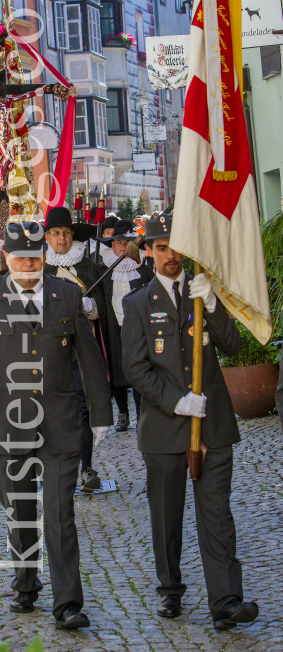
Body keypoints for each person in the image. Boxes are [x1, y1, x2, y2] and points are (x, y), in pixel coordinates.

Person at [0, 222, 113, 630]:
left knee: (61, 516)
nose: (28, 265)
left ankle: (68, 604)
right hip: (7, 423)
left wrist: (100, 414)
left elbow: (90, 359)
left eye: (35, 258)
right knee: (20, 510)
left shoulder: (67, 295)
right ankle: (26, 583)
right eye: (20, 257)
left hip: (59, 425)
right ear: (6, 257)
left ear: (45, 257)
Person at [121, 213, 258, 631]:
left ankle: (226, 601)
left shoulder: (203, 293)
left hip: (213, 424)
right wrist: (178, 403)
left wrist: (214, 304)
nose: (171, 255)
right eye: (161, 247)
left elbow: (233, 347)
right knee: (166, 515)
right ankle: (170, 589)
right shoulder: (137, 303)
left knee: (216, 513)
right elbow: (135, 369)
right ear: (148, 252)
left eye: (176, 246)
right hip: (165, 426)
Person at [43, 206, 106, 492]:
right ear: (47, 237)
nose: (62, 238)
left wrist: (91, 306)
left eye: (67, 233)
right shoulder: (40, 267)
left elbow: (102, 305)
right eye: (56, 233)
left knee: (82, 408)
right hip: (50, 349)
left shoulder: (87, 266)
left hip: (80, 349)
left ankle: (86, 467)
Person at [97, 220, 153, 431]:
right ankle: (122, 413)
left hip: (138, 329)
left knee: (140, 369)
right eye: (118, 242)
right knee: (117, 370)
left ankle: (141, 414)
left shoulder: (143, 271)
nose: (122, 246)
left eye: (125, 242)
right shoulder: (103, 271)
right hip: (113, 326)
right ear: (112, 245)